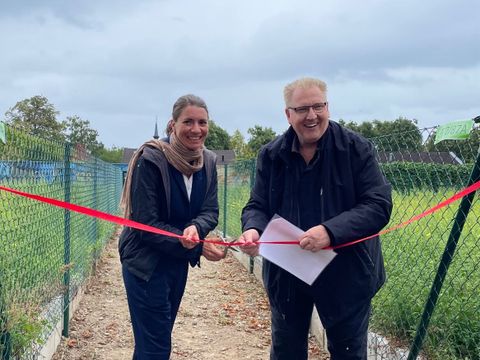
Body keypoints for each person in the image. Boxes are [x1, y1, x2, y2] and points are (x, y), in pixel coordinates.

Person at [238, 77, 393, 360]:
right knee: (286, 351)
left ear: (328, 107)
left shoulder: (356, 149)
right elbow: (257, 205)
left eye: (317, 106)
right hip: (287, 272)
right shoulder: (271, 155)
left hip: (346, 272)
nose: (311, 116)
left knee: (348, 353)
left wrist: (330, 232)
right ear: (288, 114)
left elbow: (378, 205)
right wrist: (252, 229)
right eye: (301, 109)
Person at [119, 94, 226, 359]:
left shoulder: (208, 162)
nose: (196, 129)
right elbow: (145, 224)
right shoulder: (152, 159)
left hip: (177, 261)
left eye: (202, 122)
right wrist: (195, 245)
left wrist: (196, 229)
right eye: (188, 121)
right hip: (145, 262)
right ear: (172, 125)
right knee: (155, 347)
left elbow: (210, 210)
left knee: (158, 338)